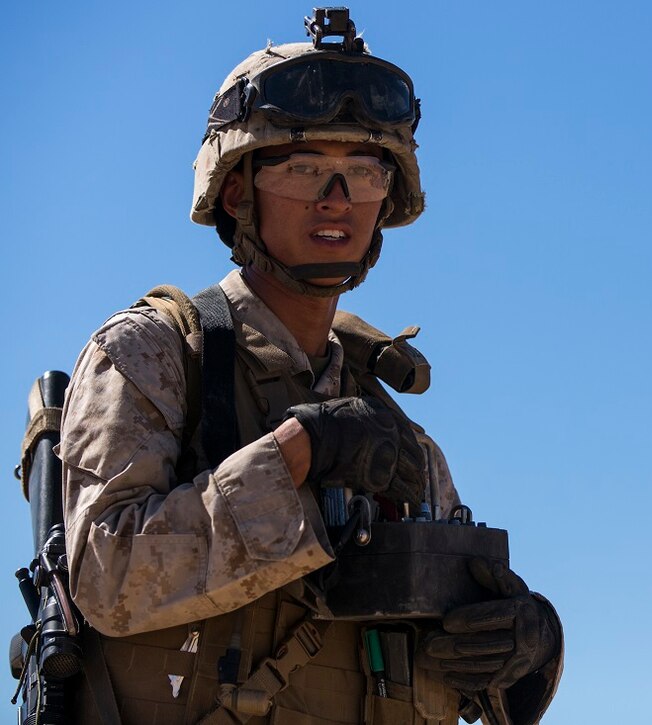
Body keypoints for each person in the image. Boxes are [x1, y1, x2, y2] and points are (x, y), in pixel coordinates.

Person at [58, 8, 562, 724]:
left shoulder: (403, 441)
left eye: (363, 172)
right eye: (304, 168)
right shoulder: (153, 354)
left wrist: (531, 643)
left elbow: (469, 650)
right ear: (237, 192)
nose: (337, 199)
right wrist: (295, 454)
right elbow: (106, 578)